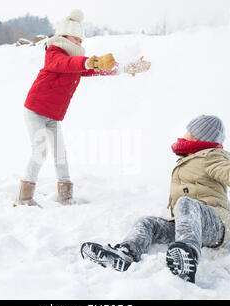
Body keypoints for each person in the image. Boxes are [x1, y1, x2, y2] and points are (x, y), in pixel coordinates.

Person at [81, 115, 230, 283]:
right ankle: (126, 253)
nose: (184, 134)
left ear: (200, 136)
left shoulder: (212, 158)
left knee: (186, 204)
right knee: (147, 223)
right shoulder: (190, 158)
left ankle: (186, 256)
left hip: (214, 224)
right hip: (188, 225)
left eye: (189, 131)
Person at [14, 9, 151, 207]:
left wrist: (124, 68)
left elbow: (92, 69)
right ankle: (24, 198)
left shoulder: (75, 60)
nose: (79, 43)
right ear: (63, 36)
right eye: (75, 39)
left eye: (80, 40)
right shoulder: (54, 53)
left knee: (60, 153)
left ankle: (66, 196)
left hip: (52, 115)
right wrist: (91, 61)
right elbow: (66, 64)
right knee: (40, 151)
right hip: (35, 110)